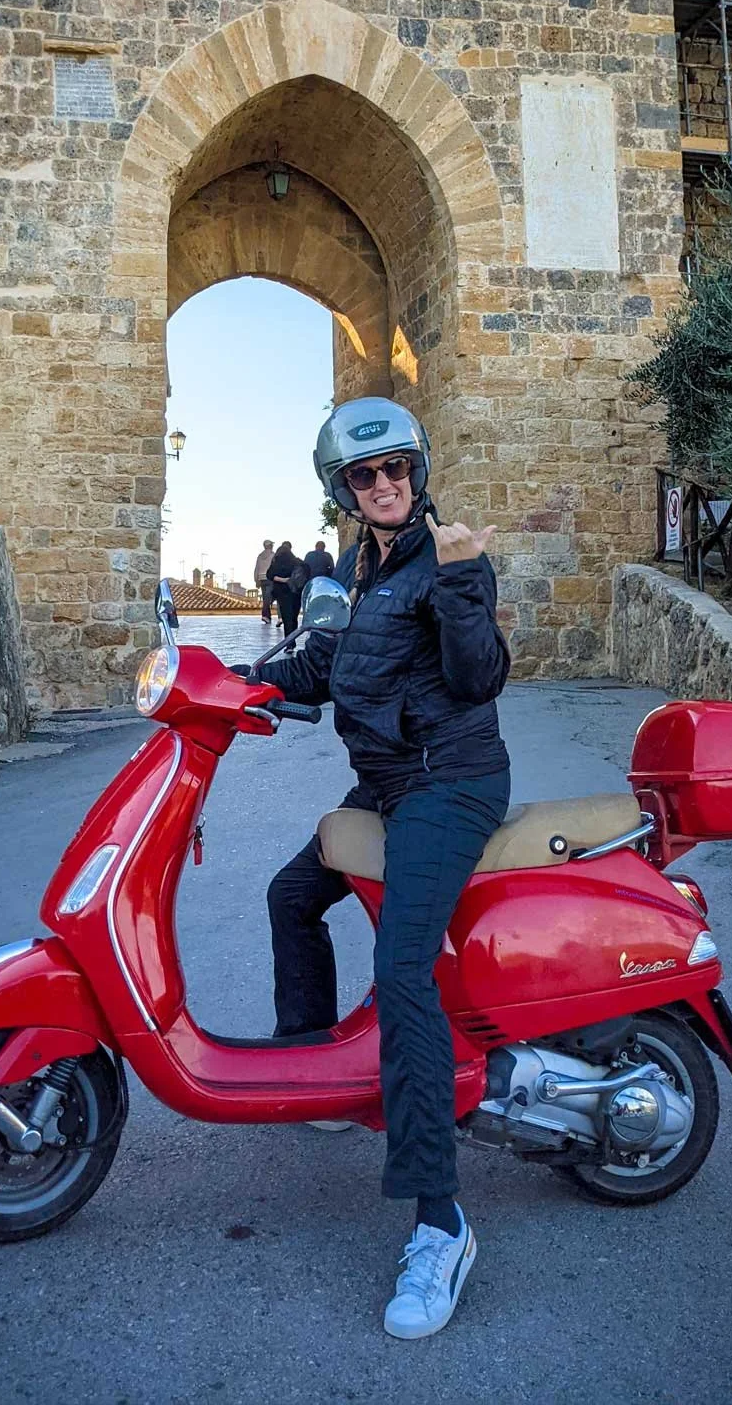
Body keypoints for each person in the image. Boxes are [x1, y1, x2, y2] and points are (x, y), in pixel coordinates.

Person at [259, 398, 510, 1340]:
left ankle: (441, 1224)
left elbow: (479, 674)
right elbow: (329, 664)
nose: (386, 483)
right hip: (391, 783)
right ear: (345, 492)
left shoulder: (446, 557)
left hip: (450, 785)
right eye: (366, 475)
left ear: (419, 468)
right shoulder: (365, 569)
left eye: (397, 467)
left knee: (404, 971)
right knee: (291, 894)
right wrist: (231, 683)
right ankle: (316, 1067)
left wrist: (460, 585)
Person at [265, 540, 304, 640]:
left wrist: (282, 580)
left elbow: (269, 575)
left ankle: (289, 642)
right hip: (295, 593)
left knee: (287, 618)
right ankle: (292, 639)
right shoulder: (297, 562)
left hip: (282, 594)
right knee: (294, 617)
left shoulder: (276, 562)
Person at [254, 539, 275, 624]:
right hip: (270, 578)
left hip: (261, 579)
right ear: (270, 546)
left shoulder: (260, 556)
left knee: (265, 598)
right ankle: (265, 615)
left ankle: (268, 617)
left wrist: (256, 580)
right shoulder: (273, 555)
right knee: (268, 598)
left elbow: (256, 568)